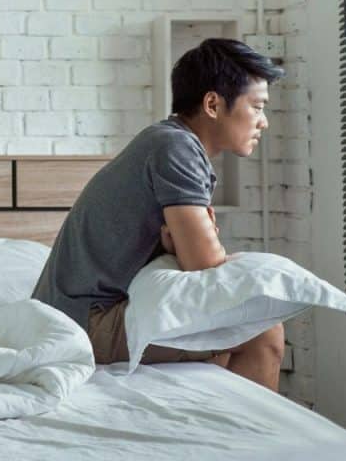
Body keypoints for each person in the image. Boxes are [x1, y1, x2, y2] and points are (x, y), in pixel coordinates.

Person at [32, 38, 286, 391]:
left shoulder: (167, 142)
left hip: (69, 315)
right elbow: (204, 265)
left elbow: (194, 260)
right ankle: (260, 443)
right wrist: (187, 249)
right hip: (80, 323)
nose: (264, 122)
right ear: (213, 103)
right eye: (257, 106)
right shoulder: (177, 148)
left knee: (226, 339)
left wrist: (177, 248)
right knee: (261, 329)